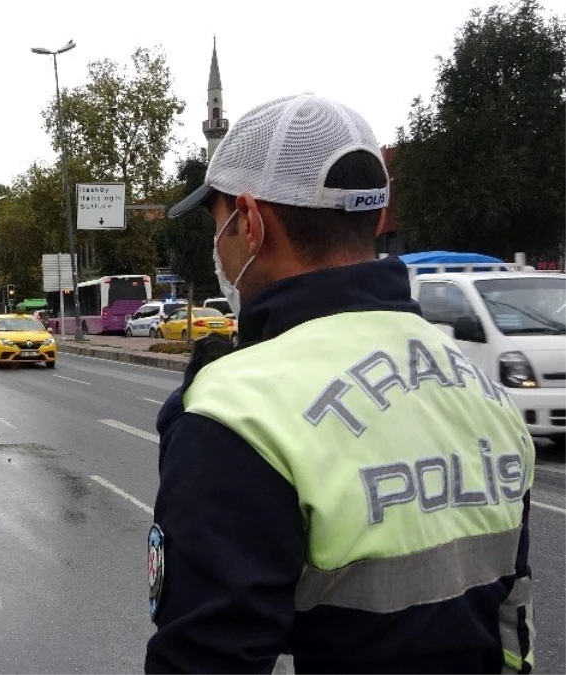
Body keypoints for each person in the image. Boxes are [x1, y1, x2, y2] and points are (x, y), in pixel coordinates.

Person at [146, 94, 533, 674]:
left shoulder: (235, 411)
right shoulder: (481, 389)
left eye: (219, 224)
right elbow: (511, 623)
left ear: (249, 223)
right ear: (377, 219)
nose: (219, 249)